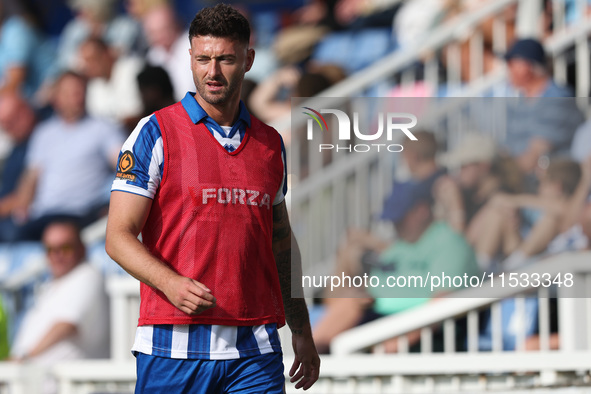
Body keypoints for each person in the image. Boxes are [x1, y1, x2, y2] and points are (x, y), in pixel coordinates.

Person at [105, 4, 320, 393]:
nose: (212, 71)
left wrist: (301, 329)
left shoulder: (271, 144)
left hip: (255, 350)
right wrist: (168, 282)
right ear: (189, 58)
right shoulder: (154, 133)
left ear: (249, 60)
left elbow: (281, 242)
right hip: (172, 348)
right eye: (203, 58)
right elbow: (118, 236)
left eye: (225, 59)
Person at [8, 71, 125, 241]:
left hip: (81, 214)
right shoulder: (43, 133)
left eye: (80, 91)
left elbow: (124, 165)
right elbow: (31, 177)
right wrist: (22, 208)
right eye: (70, 93)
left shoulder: (103, 128)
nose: (77, 97)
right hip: (43, 215)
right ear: (57, 98)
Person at [10, 219, 109, 363]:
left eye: (65, 247)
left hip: (67, 381)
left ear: (82, 248)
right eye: (50, 249)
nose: (57, 255)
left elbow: (66, 325)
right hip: (39, 378)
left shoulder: (88, 276)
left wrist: (23, 358)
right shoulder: (52, 284)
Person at [0, 92, 37, 242]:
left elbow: (26, 195)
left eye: (11, 121)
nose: (8, 129)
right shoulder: (16, 148)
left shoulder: (43, 141)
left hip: (24, 219)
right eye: (4, 125)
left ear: (25, 111)